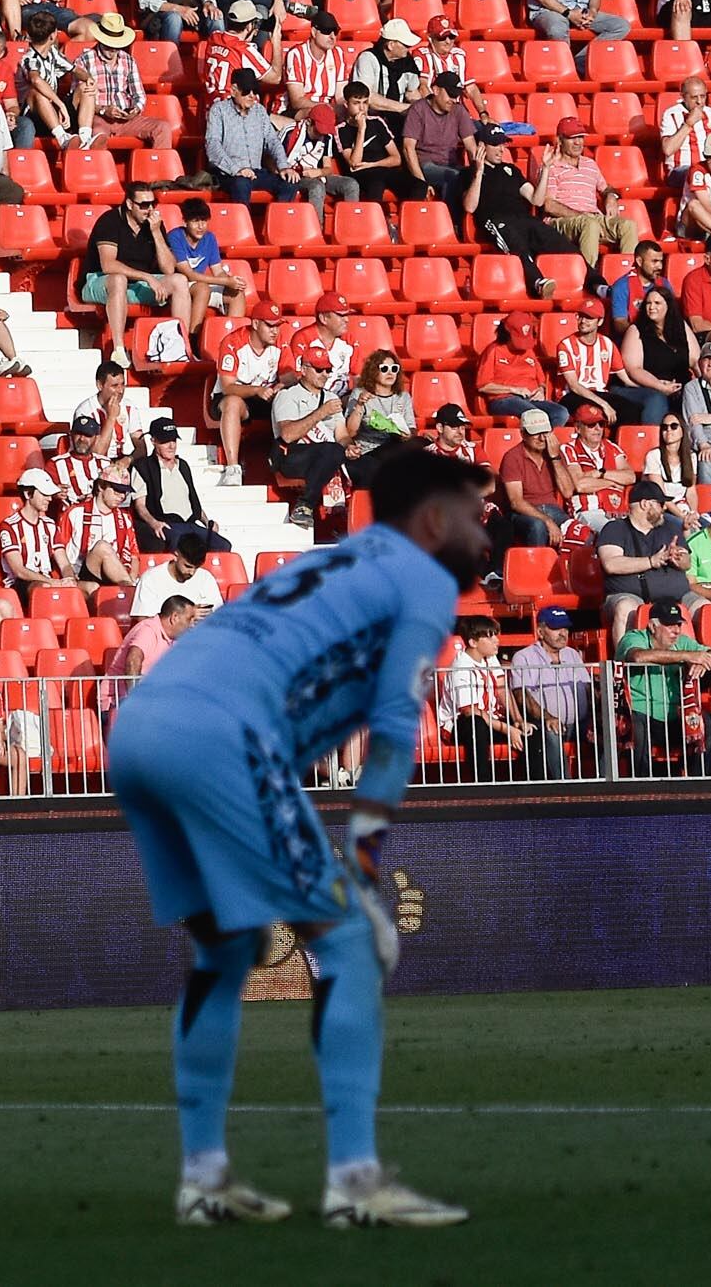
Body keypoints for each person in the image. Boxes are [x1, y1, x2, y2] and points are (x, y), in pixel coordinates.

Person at [103, 444, 494, 1229]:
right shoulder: (420, 579)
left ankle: (204, 1178)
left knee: (221, 952)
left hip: (141, 726)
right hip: (221, 736)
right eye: (471, 512)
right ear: (429, 517)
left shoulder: (335, 562)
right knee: (349, 944)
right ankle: (355, 1183)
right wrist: (364, 862)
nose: (485, 531)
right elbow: (390, 735)